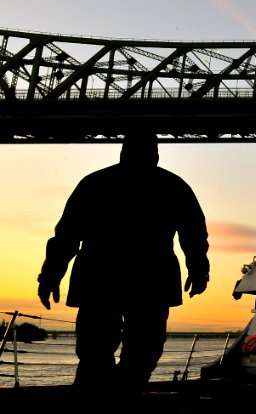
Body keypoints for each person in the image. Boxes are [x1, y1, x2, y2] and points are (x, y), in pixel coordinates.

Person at [37, 130, 209, 393]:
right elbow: (193, 234)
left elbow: (67, 235)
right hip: (151, 277)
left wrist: (51, 274)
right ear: (156, 153)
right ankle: (124, 393)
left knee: (96, 348)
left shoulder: (94, 183)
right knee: (143, 348)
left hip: (99, 275)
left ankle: (99, 396)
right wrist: (198, 269)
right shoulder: (174, 186)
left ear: (122, 151)